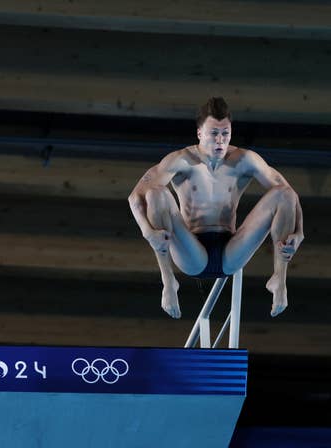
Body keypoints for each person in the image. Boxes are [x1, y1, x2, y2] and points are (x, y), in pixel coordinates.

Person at [128, 97, 303, 319]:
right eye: (214, 134)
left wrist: (300, 232)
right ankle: (168, 281)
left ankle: (279, 278)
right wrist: (147, 231)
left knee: (284, 194)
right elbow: (135, 197)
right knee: (156, 193)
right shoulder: (181, 160)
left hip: (231, 251)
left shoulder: (245, 159)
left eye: (225, 133)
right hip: (191, 251)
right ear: (200, 133)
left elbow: (291, 195)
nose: (220, 140)